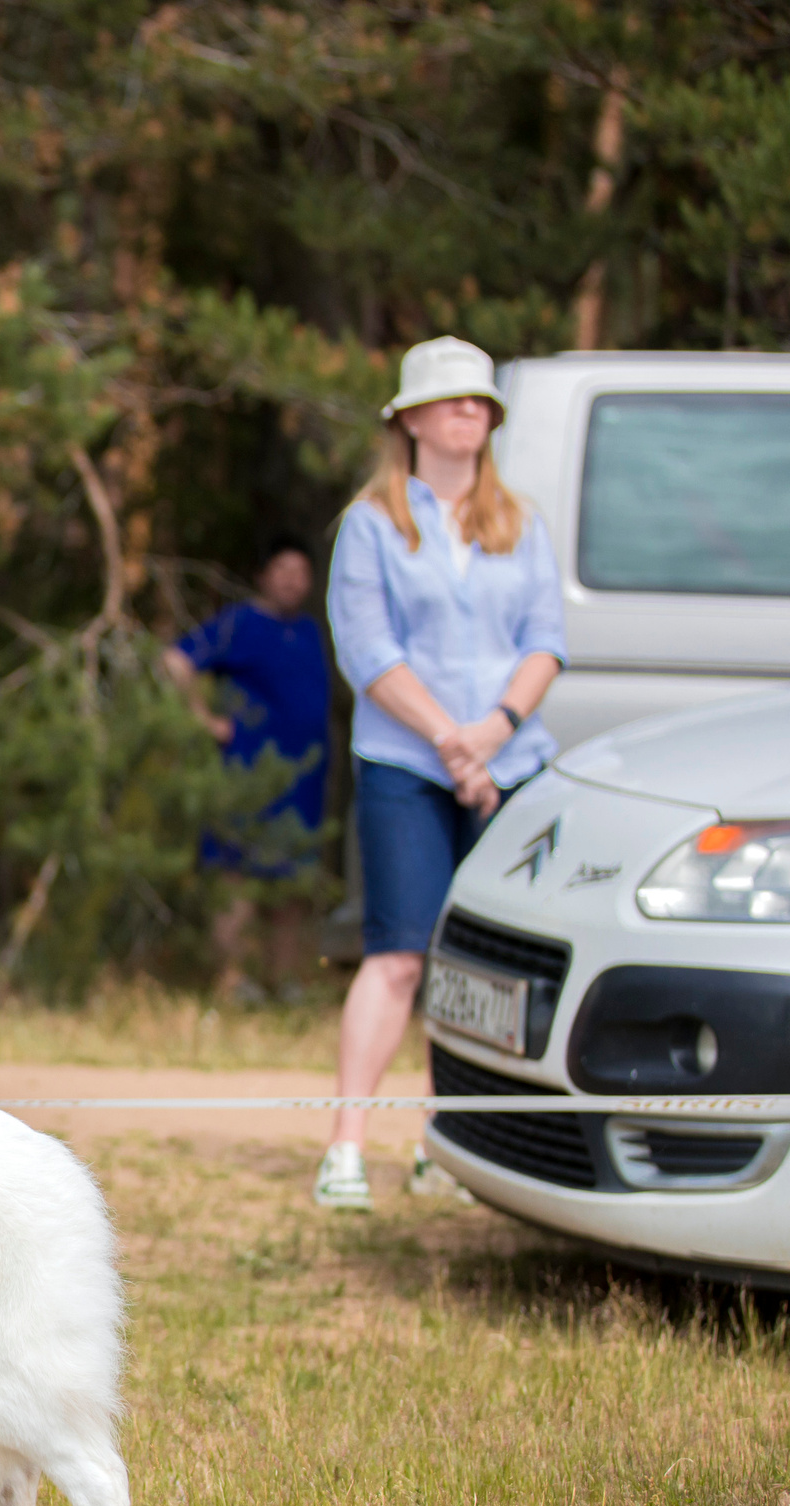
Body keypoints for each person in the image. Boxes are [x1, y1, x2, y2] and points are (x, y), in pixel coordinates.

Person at [318, 335, 565, 1209]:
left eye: (481, 402)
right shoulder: (370, 524)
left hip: (510, 763)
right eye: (453, 398)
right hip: (406, 765)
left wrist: (493, 733)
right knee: (398, 955)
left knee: (482, 966)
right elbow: (368, 650)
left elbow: (545, 641)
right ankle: (346, 1147)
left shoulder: (520, 522)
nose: (470, 411)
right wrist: (451, 743)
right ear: (411, 420)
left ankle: (448, 1145)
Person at [159, 536, 332, 1001]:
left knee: (292, 884)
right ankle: (232, 981)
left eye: (301, 573)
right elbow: (175, 661)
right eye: (283, 570)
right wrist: (205, 720)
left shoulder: (310, 631)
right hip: (246, 776)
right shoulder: (240, 623)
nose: (293, 581)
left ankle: (285, 981)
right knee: (235, 878)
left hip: (302, 782)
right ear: (263, 575)